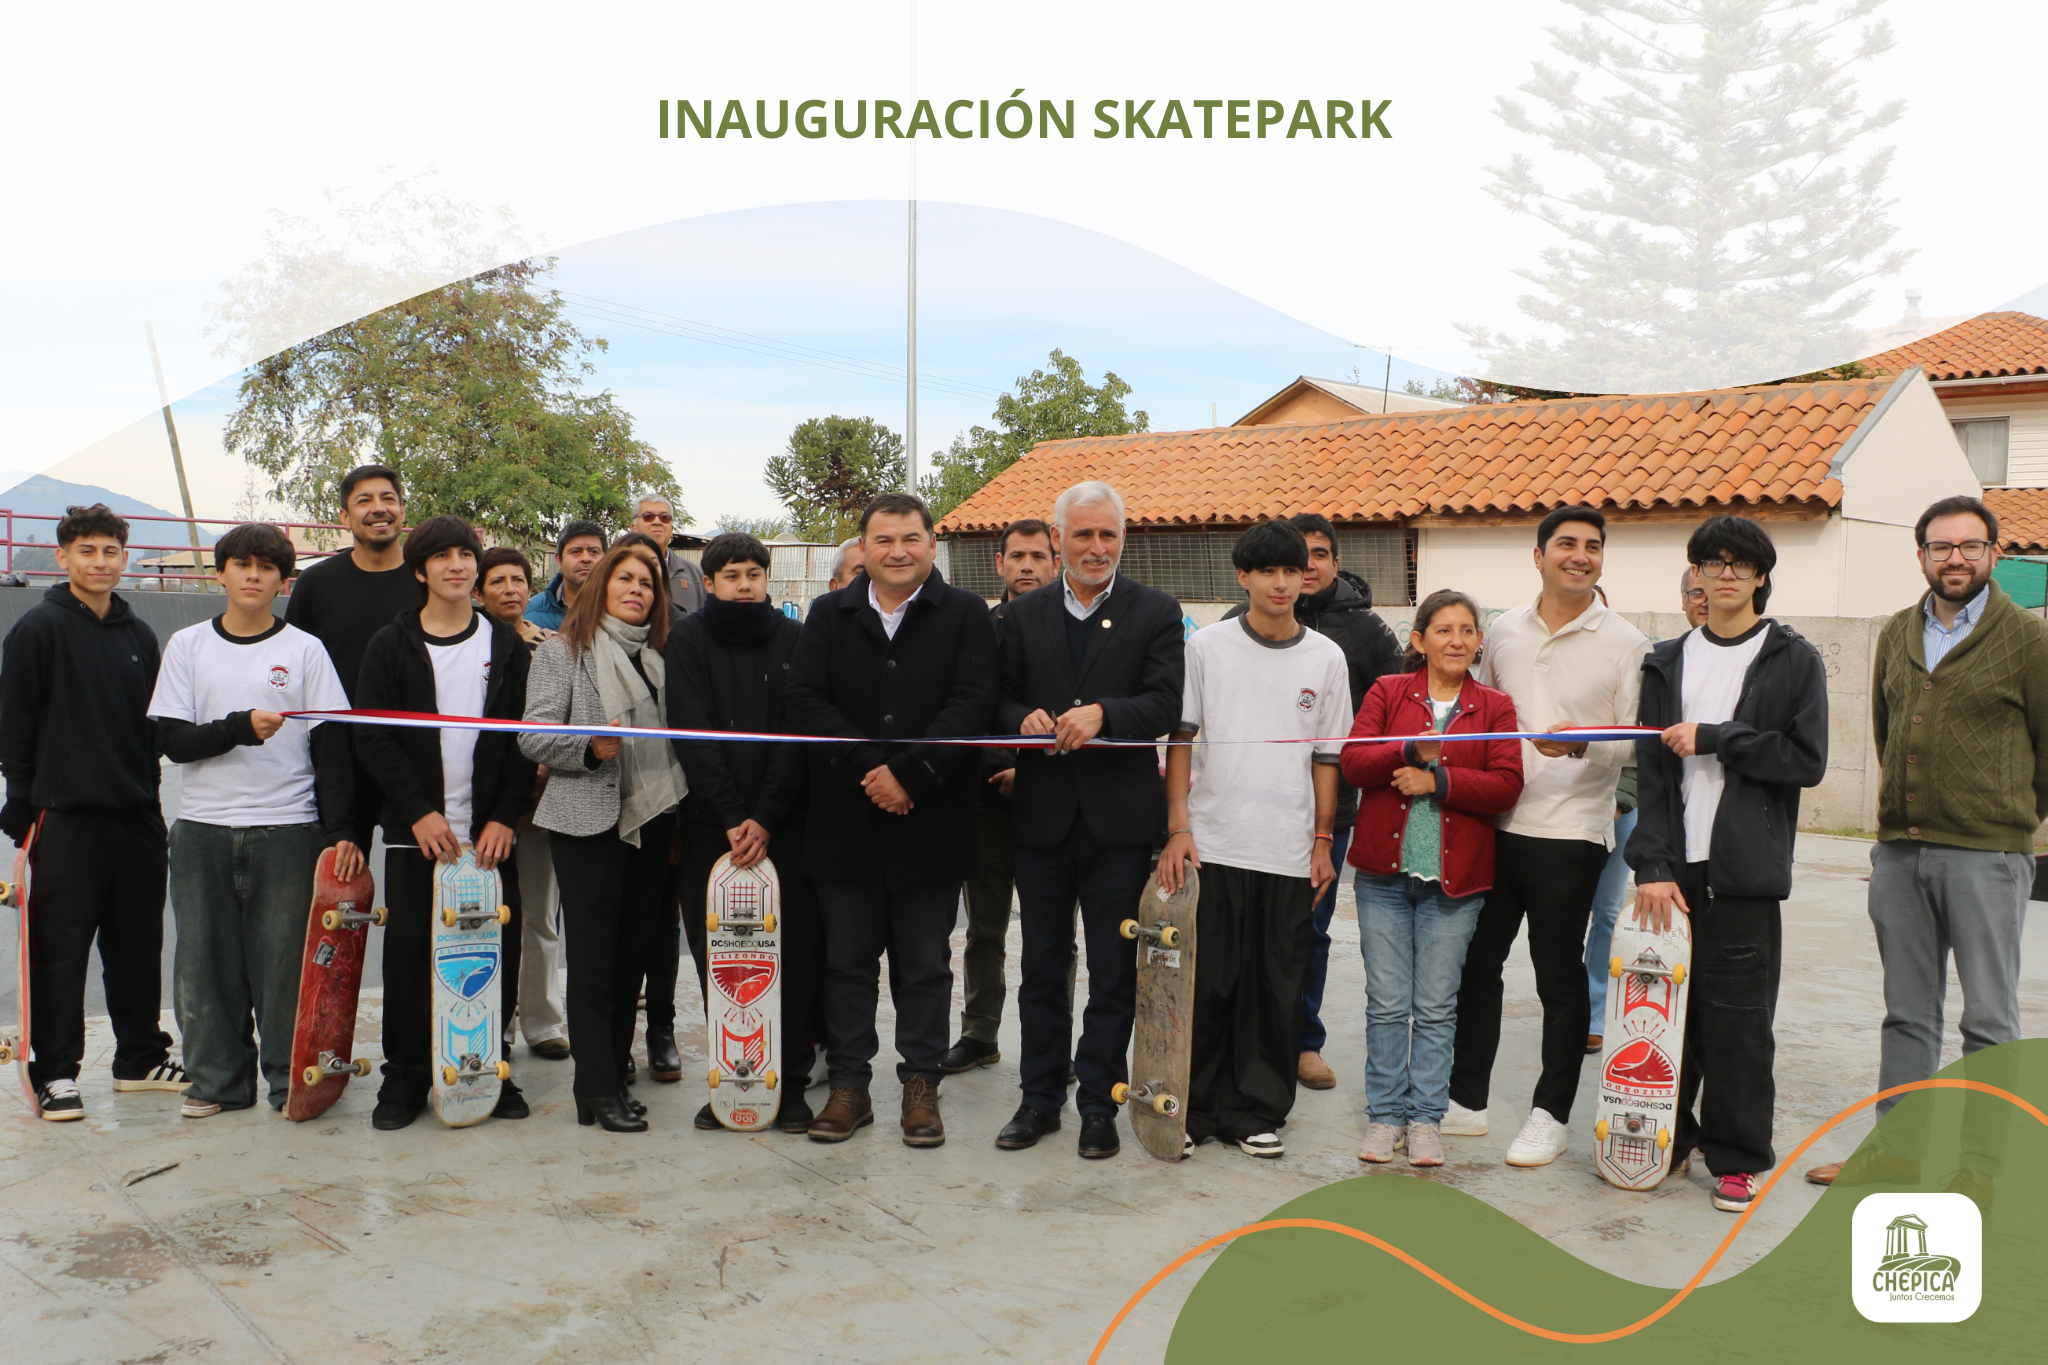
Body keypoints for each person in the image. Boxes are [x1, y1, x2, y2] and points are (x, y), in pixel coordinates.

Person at [1806, 495, 2048, 1211]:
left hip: (1987, 854)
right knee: (1907, 1013)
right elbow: (1885, 730)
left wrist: (2011, 819)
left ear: (1994, 554)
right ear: (1920, 556)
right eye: (1941, 547)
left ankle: (1978, 1167)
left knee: (1989, 1020)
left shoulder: (2027, 640)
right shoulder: (1897, 632)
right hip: (1902, 853)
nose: (1955, 559)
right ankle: (1899, 1150)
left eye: (1970, 547)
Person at [785, 492, 999, 1148]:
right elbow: (805, 700)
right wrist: (869, 771)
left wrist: (912, 774)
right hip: (845, 823)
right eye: (884, 540)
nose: (898, 550)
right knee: (846, 962)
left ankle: (921, 1085)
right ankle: (850, 1087)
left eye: (911, 538)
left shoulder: (965, 614)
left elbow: (973, 702)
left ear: (932, 545)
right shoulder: (829, 614)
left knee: (925, 964)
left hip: (930, 821)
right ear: (864, 549)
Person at [1629, 515, 1827, 1212]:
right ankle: (1671, 1137)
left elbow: (1806, 760)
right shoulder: (1666, 659)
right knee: (1664, 1015)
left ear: (1761, 576)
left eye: (1741, 563)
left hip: (1745, 870)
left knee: (1740, 1021)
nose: (1726, 574)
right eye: (1713, 563)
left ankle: (1737, 1156)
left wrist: (1719, 738)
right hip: (1673, 871)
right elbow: (1651, 772)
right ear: (1697, 576)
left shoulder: (1791, 658)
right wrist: (1650, 861)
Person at [1447, 505, 1649, 1166]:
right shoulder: (1502, 631)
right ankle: (1466, 1099)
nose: (1580, 555)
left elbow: (1636, 743)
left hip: (1572, 832)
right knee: (1478, 965)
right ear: (1539, 555)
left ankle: (1549, 1113)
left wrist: (1584, 743)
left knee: (1556, 975)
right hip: (1496, 823)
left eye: (1593, 546)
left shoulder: (1625, 641)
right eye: (1566, 543)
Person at [993, 484, 1185, 1159]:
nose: (1097, 548)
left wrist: (1104, 713)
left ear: (1123, 538)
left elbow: (1164, 702)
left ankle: (1100, 1103)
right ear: (1058, 538)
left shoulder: (1157, 611)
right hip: (1042, 820)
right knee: (1042, 967)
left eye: (1108, 535)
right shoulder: (1020, 616)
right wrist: (1021, 720)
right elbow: (996, 699)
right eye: (1083, 536)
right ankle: (1038, 1099)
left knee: (1114, 971)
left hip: (1119, 825)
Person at [149, 524, 360, 1116]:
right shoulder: (188, 645)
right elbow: (171, 741)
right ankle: (216, 1081)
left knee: (285, 967)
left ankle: (287, 1079)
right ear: (220, 573)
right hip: (202, 829)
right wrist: (238, 727)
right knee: (203, 964)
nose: (252, 576)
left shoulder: (304, 650)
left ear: (282, 581)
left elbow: (332, 746)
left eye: (266, 568)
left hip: (289, 828)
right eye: (240, 564)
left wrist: (339, 829)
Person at [1158, 520, 1350, 1158]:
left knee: (1275, 984)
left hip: (1287, 849)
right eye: (1266, 571)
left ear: (1307, 577)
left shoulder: (1326, 658)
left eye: (1291, 570)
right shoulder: (1207, 648)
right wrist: (1179, 828)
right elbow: (1180, 739)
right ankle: (1197, 1108)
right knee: (1209, 982)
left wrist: (1322, 840)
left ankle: (1257, 1111)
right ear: (1242, 577)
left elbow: (1328, 757)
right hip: (1213, 843)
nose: (1279, 583)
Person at [0, 503, 188, 1119]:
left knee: (138, 945)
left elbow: (158, 725)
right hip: (65, 817)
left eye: (111, 551)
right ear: (63, 558)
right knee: (62, 950)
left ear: (124, 558)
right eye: (87, 551)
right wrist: (23, 803)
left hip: (135, 816)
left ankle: (139, 1056)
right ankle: (55, 1073)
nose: (100, 562)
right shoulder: (38, 630)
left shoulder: (138, 635)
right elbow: (15, 725)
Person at [353, 516, 537, 1130]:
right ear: (420, 570)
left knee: (492, 954)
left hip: (487, 838)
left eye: (466, 555)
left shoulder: (505, 646)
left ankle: (488, 1066)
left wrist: (505, 816)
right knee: (408, 956)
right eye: (443, 556)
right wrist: (420, 811)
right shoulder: (390, 644)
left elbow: (519, 741)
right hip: (419, 835)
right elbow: (375, 741)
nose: (457, 565)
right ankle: (404, 1076)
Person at [1225, 511, 1404, 1090]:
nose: (1297, 573)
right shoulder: (1233, 626)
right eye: (1280, 563)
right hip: (1250, 805)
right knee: (1246, 928)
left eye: (1315, 556)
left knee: (1310, 929)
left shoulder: (1367, 631)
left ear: (1330, 562)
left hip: (1333, 809)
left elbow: (1396, 709)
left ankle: (1302, 1042)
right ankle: (1241, 1038)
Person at [1344, 589, 1523, 1166]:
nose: (1457, 641)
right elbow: (1353, 760)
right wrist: (1406, 747)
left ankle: (1425, 1120)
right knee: (1388, 1003)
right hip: (1383, 877)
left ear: (1479, 642)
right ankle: (1384, 1116)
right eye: (1443, 630)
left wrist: (1436, 782)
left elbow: (1506, 784)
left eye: (1467, 630)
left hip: (1456, 883)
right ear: (1418, 641)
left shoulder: (1495, 706)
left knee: (1439, 1005)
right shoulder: (1388, 692)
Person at [520, 541, 687, 1133]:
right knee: (593, 962)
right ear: (602, 587)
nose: (638, 589)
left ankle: (612, 1076)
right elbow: (533, 737)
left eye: (648, 583)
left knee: (632, 960)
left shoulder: (663, 656)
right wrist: (589, 747)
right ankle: (592, 1087)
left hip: (653, 822)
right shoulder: (563, 652)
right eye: (626, 579)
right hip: (586, 822)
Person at [668, 532, 821, 1134]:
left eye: (754, 574)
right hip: (714, 829)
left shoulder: (793, 638)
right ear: (709, 584)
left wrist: (766, 815)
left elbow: (798, 730)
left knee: (794, 956)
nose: (744, 584)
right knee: (724, 959)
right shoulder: (688, 639)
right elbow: (691, 730)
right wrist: (733, 815)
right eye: (731, 575)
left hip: (784, 826)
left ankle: (795, 1085)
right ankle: (734, 1083)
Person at [946, 516, 1060, 1075]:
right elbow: (972, 707)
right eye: (1017, 557)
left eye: (1038, 556)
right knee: (984, 928)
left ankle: (1051, 1044)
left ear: (1055, 563)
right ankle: (979, 1034)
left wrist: (1034, 772)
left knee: (1051, 933)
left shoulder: (1072, 630)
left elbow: (1082, 710)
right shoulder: (978, 630)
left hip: (1057, 803)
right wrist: (1003, 767)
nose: (1027, 567)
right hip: (987, 801)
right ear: (999, 565)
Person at [283, 465, 425, 848]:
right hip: (338, 760)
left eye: (388, 499)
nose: (378, 509)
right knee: (341, 893)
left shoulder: (428, 581)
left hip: (414, 759)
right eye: (364, 501)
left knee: (420, 893)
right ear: (344, 517)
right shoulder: (317, 583)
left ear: (403, 510)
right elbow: (295, 669)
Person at [474, 547, 569, 1061]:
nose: (509, 589)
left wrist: (547, 762)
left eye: (518, 580)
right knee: (484, 917)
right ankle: (492, 1025)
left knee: (538, 914)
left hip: (539, 803)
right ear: (478, 590)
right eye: (498, 581)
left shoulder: (551, 644)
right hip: (480, 806)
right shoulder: (468, 644)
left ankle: (542, 1022)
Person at [525, 521, 608, 632]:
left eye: (593, 551)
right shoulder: (530, 614)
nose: (586, 558)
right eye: (576, 551)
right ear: (558, 560)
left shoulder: (620, 609)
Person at [632, 495, 707, 615]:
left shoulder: (696, 575)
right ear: (633, 527)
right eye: (648, 517)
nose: (657, 522)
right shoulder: (614, 569)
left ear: (671, 529)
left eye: (664, 518)